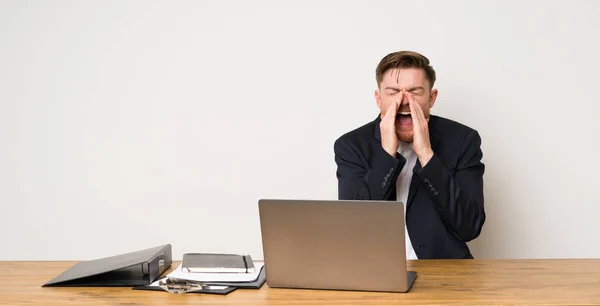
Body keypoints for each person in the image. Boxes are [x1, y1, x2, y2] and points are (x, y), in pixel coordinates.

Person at [333, 51, 485, 259]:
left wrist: (426, 155)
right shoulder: (351, 146)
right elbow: (352, 227)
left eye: (414, 92)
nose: (404, 101)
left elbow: (470, 227)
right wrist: (387, 155)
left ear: (432, 98)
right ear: (379, 99)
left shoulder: (463, 140)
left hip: (444, 274)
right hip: (376, 273)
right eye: (393, 92)